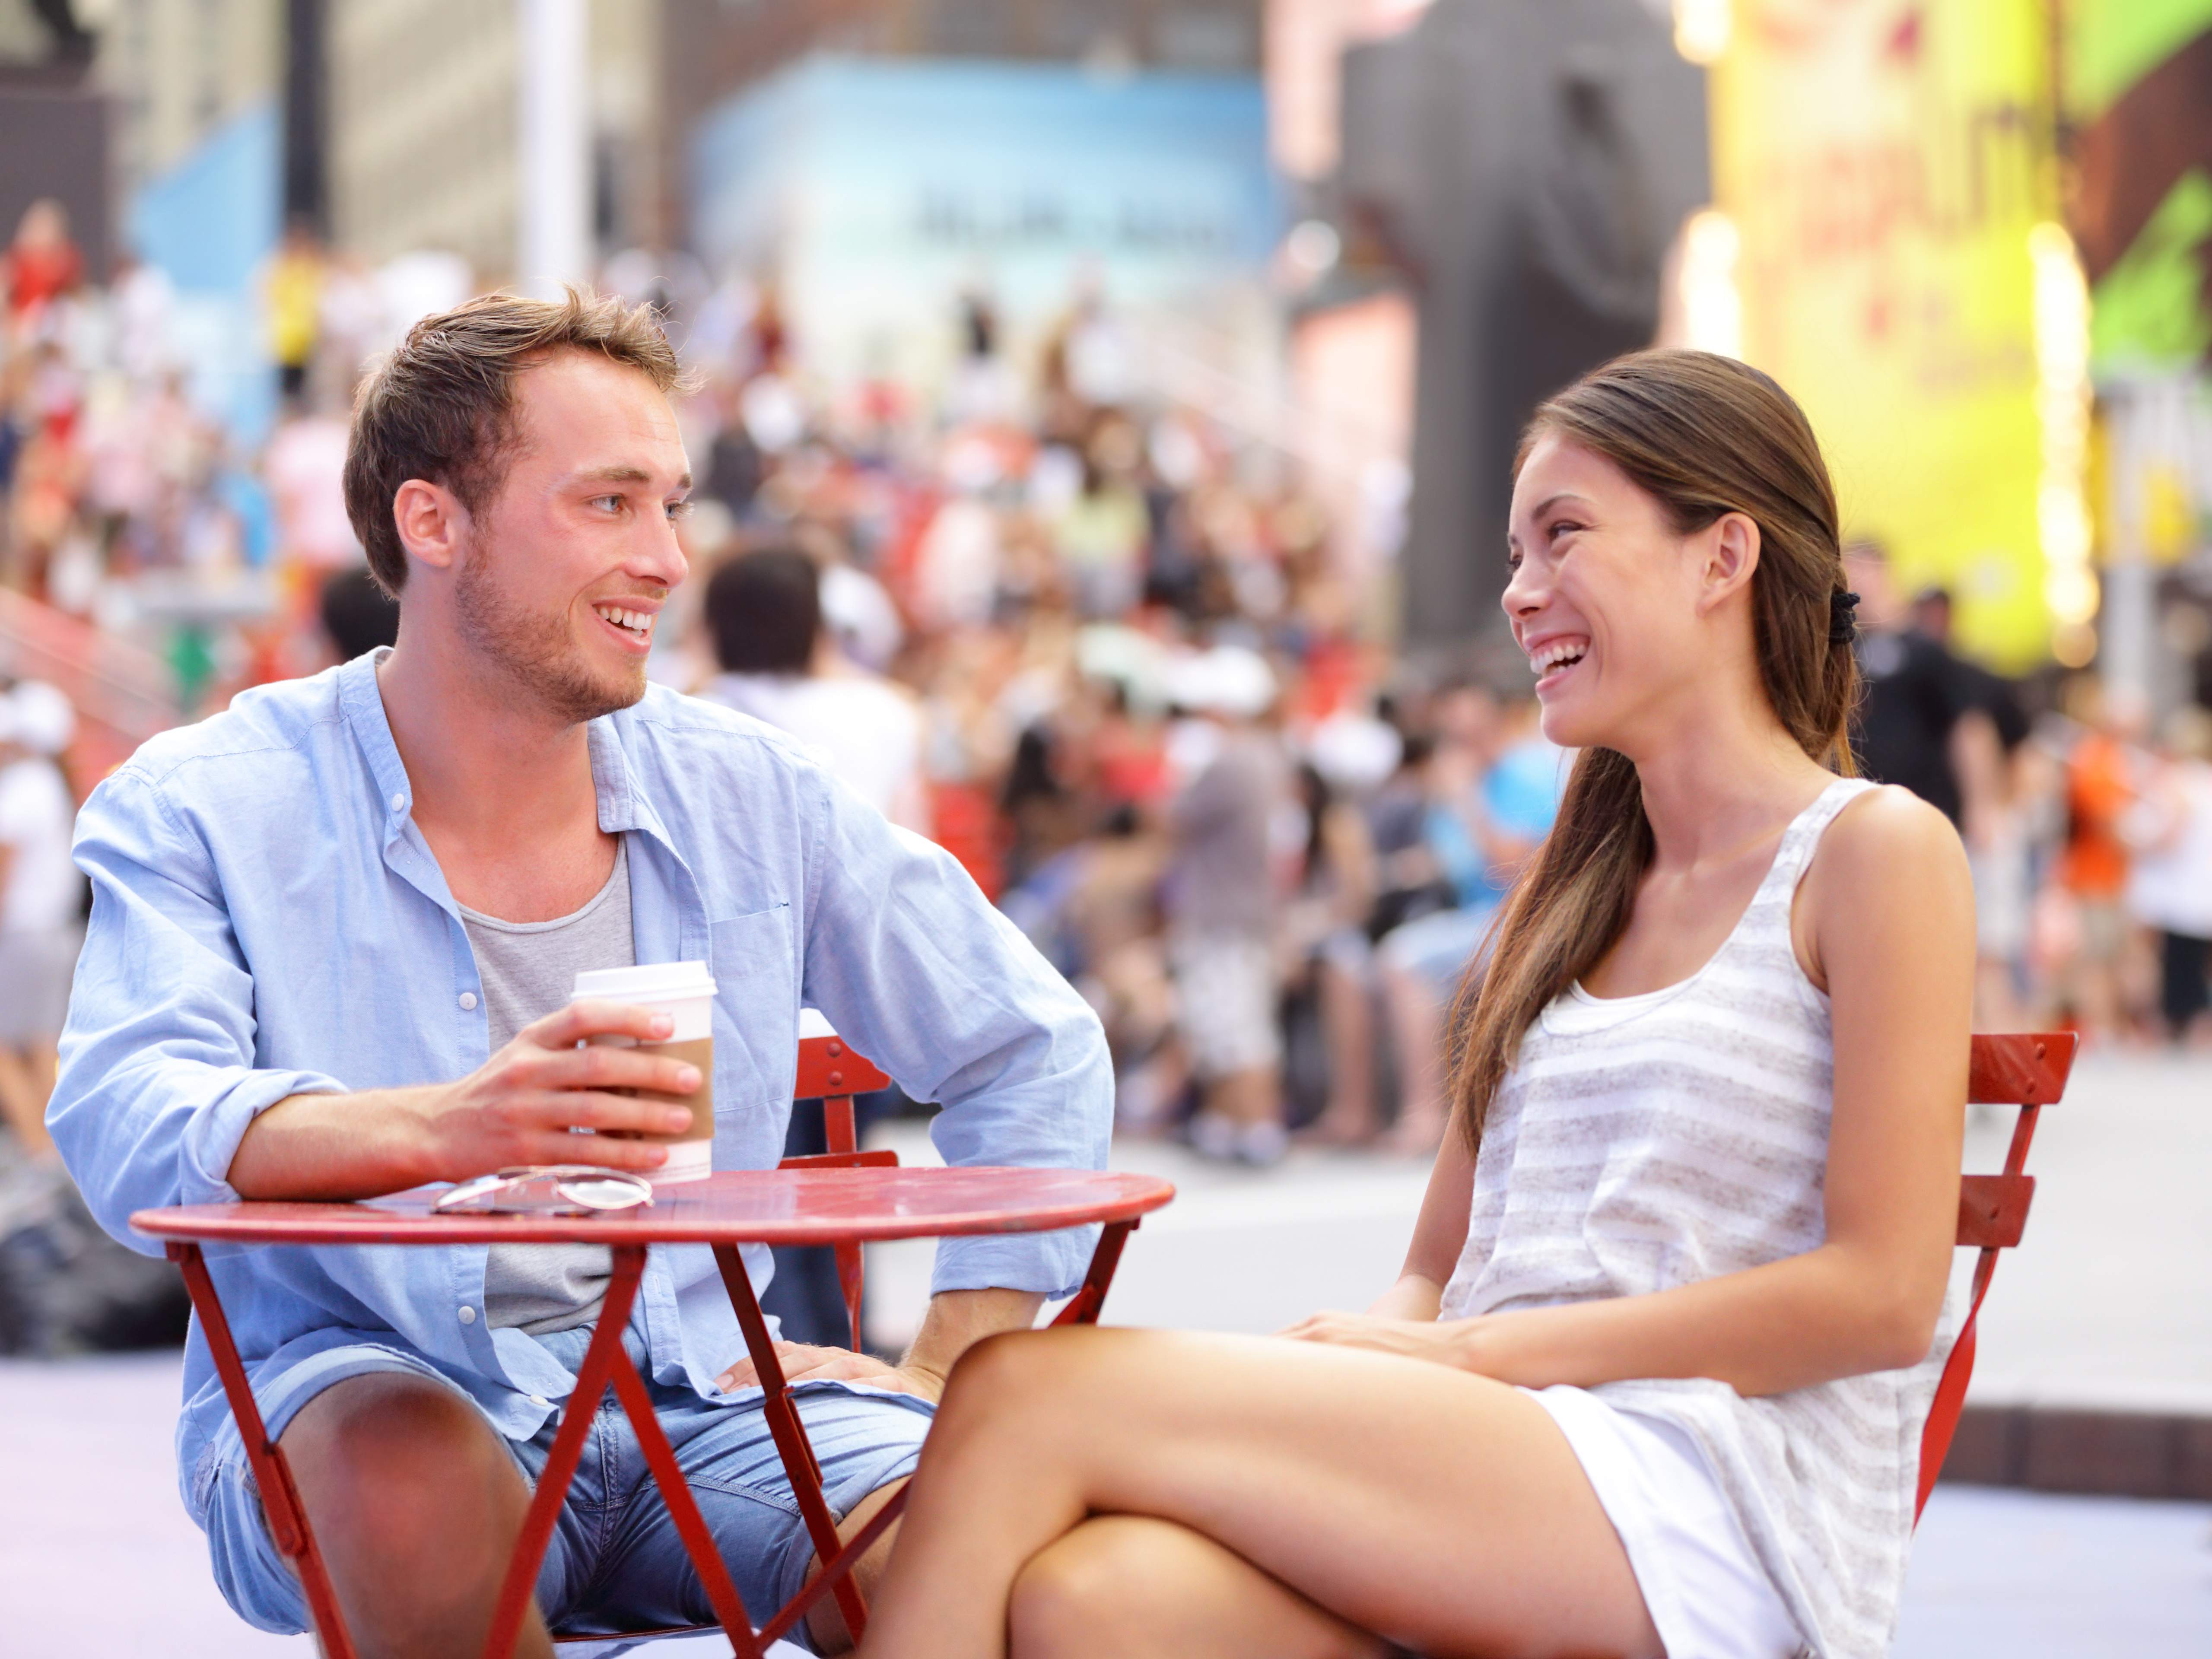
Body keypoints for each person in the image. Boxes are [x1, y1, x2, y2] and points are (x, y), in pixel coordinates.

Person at [851, 350, 1974, 1659]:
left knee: (1021, 1391)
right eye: (1513, 550)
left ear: (1719, 556)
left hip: (1711, 1498)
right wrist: (1363, 1352)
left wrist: (1483, 1356)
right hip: (1506, 1456)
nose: (1518, 590)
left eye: (1562, 536)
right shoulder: (1565, 892)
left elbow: (1882, 1294)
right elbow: (1436, 1273)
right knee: (1093, 1599)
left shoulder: (1873, 849)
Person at [48, 290, 1113, 1659]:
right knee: (406, 1474)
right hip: (367, 1383)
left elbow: (1029, 1044)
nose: (668, 558)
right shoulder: (205, 803)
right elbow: (126, 1115)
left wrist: (949, 1365)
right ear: (434, 524)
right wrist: (443, 1127)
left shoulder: (750, 791)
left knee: (1031, 1554)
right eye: (609, 503)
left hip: (702, 1386)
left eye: (669, 503)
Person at [1162, 645, 1293, 1165]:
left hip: (1225, 915)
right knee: (1223, 1023)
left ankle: (1257, 1128)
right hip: (1246, 910)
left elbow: (1171, 819)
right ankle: (1228, 1125)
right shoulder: (1264, 757)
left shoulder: (1231, 762)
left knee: (1235, 1027)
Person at [696, 546, 929, 834]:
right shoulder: (887, 711)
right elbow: (913, 837)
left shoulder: (697, 720)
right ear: (816, 626)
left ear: (714, 626)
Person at [0, 680, 80, 1162]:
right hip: (49, 931)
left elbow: (4, 864)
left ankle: (39, 1154)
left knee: (12, 1048)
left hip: (24, 933)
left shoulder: (25, 786)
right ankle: (52, 1154)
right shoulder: (52, 785)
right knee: (40, 1045)